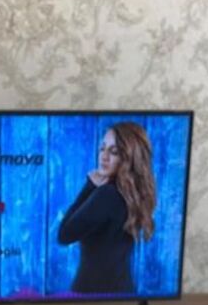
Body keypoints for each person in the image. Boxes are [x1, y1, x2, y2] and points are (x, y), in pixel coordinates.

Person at [57, 121, 157, 294]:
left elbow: (64, 235)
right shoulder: (133, 195)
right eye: (102, 148)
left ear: (129, 158)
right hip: (123, 292)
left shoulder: (108, 195)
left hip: (93, 296)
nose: (104, 157)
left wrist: (89, 186)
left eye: (114, 152)